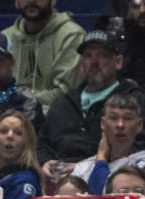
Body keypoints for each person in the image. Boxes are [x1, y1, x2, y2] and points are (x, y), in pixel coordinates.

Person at [37, 30, 145, 187]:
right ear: (81, 64)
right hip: (60, 181)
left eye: (102, 55)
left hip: (116, 178)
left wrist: (85, 167)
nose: (94, 62)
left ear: (118, 62)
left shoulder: (136, 99)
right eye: (88, 56)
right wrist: (46, 162)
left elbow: (139, 147)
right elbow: (41, 142)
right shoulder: (62, 102)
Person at [1, 0, 85, 111]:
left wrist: (22, 102)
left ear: (53, 1)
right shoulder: (5, 38)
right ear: (16, 2)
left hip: (54, 118)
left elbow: (66, 94)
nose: (31, 1)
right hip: (11, 119)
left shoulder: (71, 36)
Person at [71, 93, 145, 195]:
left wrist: (101, 158)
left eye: (127, 119)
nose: (120, 125)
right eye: (114, 118)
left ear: (139, 125)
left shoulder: (142, 163)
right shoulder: (83, 168)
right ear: (103, 123)